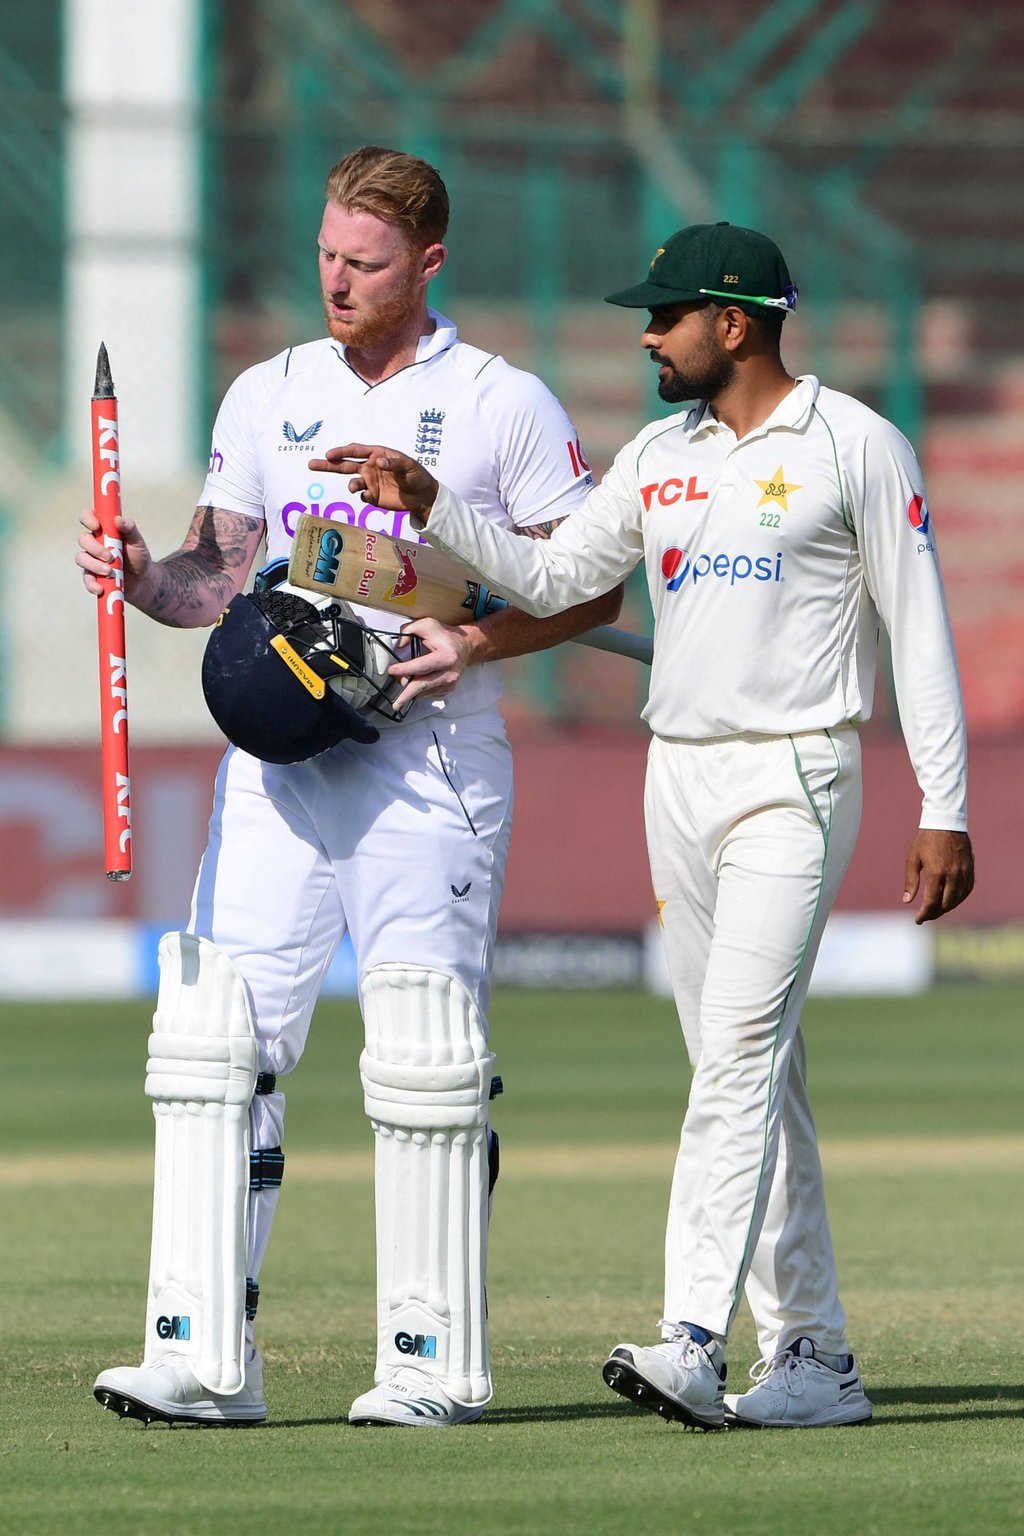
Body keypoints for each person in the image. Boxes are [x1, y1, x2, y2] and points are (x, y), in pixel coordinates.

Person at [311, 220, 975, 1431]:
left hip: (796, 773)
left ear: (733, 323)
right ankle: (815, 1357)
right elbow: (560, 578)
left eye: (664, 316)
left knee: (733, 1057)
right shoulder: (660, 452)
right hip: (678, 775)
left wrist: (946, 806)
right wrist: (433, 506)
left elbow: (918, 629)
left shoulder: (855, 445)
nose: (646, 334)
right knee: (753, 1072)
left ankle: (688, 1339)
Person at [76, 144, 621, 1429]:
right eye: (326, 254)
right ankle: (205, 1355)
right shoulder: (270, 390)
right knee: (223, 1045)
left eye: (365, 263)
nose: (336, 279)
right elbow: (220, 574)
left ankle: (432, 1364)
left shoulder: (504, 402)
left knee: (425, 1055)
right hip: (276, 760)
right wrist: (148, 575)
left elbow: (591, 585)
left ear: (428, 263)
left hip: (429, 752)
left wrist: (478, 641)